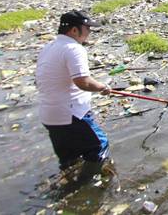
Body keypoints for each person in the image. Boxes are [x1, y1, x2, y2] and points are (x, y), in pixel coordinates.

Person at [35, 11, 111, 183]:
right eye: (87, 28)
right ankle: (83, 189)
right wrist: (102, 87)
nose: (89, 32)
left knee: (69, 158)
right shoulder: (74, 48)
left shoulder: (48, 47)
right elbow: (82, 82)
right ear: (74, 30)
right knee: (99, 147)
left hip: (49, 116)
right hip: (72, 115)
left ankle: (67, 185)